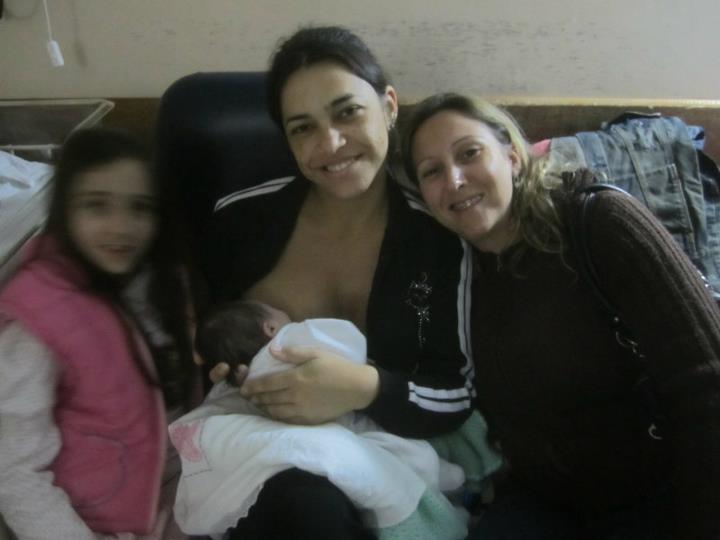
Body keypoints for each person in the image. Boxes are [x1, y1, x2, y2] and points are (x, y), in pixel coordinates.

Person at [401, 92, 720, 539]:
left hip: (658, 493)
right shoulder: (451, 278)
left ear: (512, 157)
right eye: (432, 171)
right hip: (545, 502)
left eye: (469, 153)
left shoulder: (600, 223)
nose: (454, 180)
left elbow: (708, 382)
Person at [201, 26, 476, 539]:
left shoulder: (437, 238)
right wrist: (223, 365)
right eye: (303, 128)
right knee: (304, 506)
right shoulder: (238, 221)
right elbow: (204, 345)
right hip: (263, 458)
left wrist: (363, 387)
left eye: (348, 112)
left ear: (389, 106)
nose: (330, 144)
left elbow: (457, 393)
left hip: (387, 451)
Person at [0, 128, 200, 540]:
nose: (121, 227)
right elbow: (15, 472)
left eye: (139, 208)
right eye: (97, 206)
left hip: (174, 508)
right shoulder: (39, 318)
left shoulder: (160, 284)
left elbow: (178, 416)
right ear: (65, 210)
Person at [171, 300, 471, 539]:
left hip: (279, 468)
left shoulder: (244, 376)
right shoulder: (290, 341)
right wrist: (361, 370)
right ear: (271, 327)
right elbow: (348, 344)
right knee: (406, 461)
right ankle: (446, 492)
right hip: (323, 446)